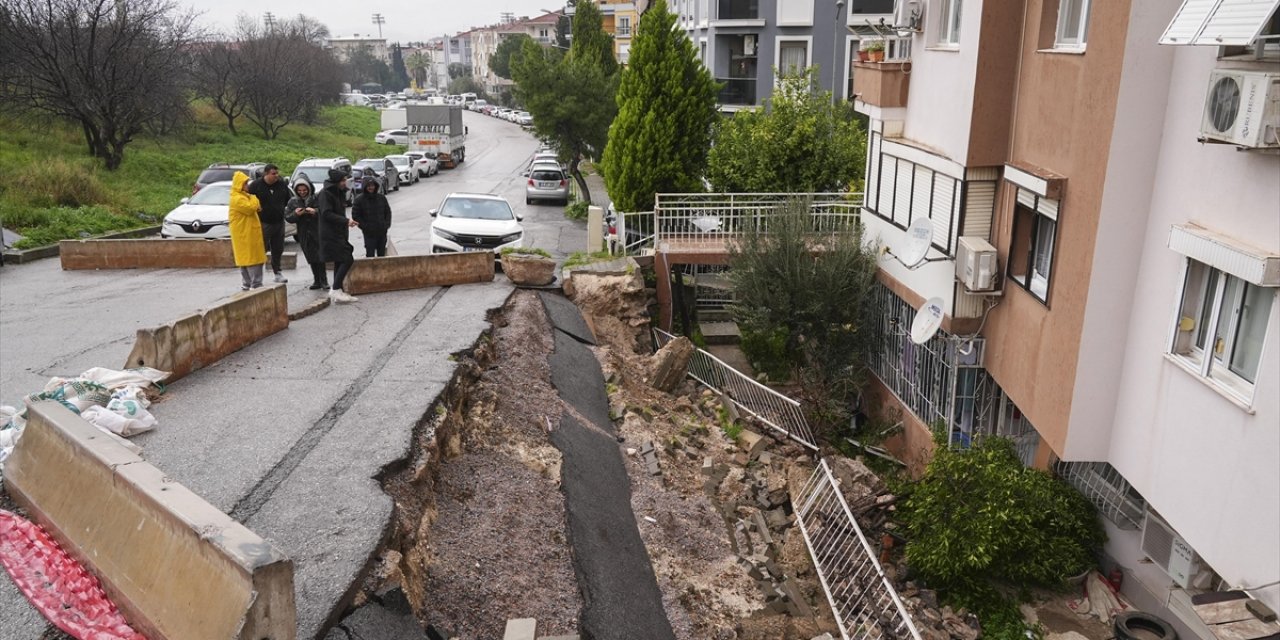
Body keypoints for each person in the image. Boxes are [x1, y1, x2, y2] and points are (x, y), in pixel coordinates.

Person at [318, 169, 360, 303]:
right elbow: (326, 213)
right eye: (342, 180)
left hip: (339, 231)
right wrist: (346, 221)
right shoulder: (326, 194)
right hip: (330, 233)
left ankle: (338, 290)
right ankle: (335, 289)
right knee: (347, 258)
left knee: (339, 259)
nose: (344, 182)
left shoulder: (339, 193)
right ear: (336, 181)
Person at [247, 164, 291, 283]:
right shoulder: (256, 186)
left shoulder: (281, 184)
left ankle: (277, 272)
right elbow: (249, 202)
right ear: (266, 174)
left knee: (278, 248)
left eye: (277, 173)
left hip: (279, 222)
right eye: (273, 174)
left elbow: (288, 199)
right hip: (263, 223)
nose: (276, 176)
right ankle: (256, 276)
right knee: (261, 248)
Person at [285, 179, 326, 290]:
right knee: (311, 256)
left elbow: (325, 212)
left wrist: (315, 212)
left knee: (320, 255)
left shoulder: (315, 198)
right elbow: (288, 217)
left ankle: (324, 280)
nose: (302, 192)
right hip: (303, 233)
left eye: (304, 190)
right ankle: (316, 280)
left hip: (317, 230)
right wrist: (296, 214)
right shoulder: (293, 201)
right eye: (299, 190)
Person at [228, 171, 266, 291]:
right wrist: (254, 198)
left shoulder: (244, 197)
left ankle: (248, 284)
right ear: (239, 185)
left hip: (248, 233)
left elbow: (257, 207)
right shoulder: (238, 199)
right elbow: (251, 208)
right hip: (244, 234)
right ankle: (255, 284)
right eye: (245, 184)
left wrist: (253, 202)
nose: (247, 186)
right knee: (251, 259)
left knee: (248, 259)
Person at [351, 176, 392, 257]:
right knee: (370, 255)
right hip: (369, 234)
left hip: (382, 232)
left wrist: (386, 225)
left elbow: (387, 212)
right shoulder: (359, 200)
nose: (371, 188)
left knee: (382, 255)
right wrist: (365, 227)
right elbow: (356, 216)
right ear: (365, 187)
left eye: (372, 185)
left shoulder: (381, 198)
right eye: (368, 186)